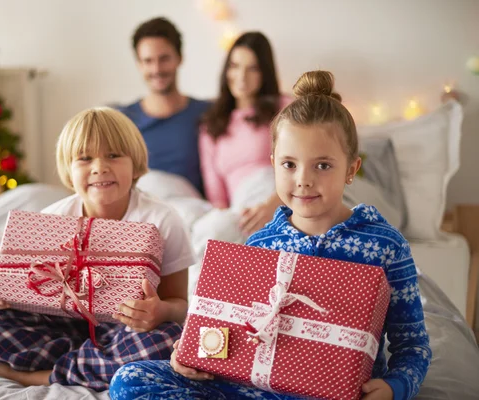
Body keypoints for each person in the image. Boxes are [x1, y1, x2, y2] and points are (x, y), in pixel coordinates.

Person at [109, 71, 432, 400]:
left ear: (351, 169)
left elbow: (413, 345)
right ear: (273, 164)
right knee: (130, 378)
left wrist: (395, 387)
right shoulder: (262, 243)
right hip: (251, 387)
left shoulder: (383, 245)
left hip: (327, 392)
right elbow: (233, 336)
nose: (303, 180)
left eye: (322, 166)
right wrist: (190, 355)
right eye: (289, 164)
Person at [0, 107, 195, 391]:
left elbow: (179, 306)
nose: (99, 167)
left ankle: (39, 376)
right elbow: (29, 288)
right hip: (62, 325)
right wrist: (1, 292)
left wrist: (159, 311)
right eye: (85, 158)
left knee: (168, 340)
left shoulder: (162, 220)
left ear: (135, 165)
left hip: (125, 330)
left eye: (113, 155)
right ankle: (90, 363)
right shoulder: (53, 217)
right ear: (69, 171)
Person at [199, 31, 290, 236]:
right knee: (212, 230)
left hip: (279, 198)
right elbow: (217, 199)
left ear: (264, 73)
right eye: (234, 66)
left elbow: (302, 165)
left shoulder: (284, 109)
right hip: (241, 212)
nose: (241, 77)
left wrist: (271, 206)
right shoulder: (211, 125)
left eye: (253, 68)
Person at [119, 17, 210, 194]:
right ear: (139, 65)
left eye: (164, 58)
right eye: (148, 61)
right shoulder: (123, 121)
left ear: (180, 58)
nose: (157, 69)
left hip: (192, 211)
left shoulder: (207, 113)